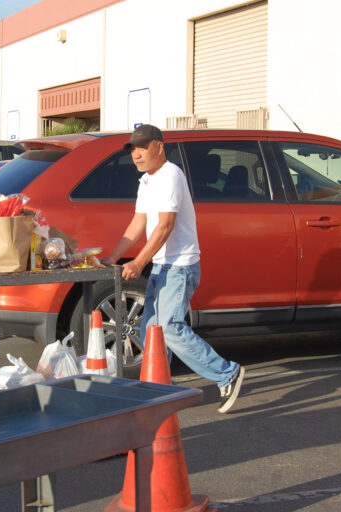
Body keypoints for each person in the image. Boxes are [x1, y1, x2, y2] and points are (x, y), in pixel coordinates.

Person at [101, 124, 244, 414]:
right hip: (163, 265)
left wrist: (139, 262)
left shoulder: (170, 176)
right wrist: (113, 258)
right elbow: (138, 223)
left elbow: (165, 226)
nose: (137, 155)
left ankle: (227, 373)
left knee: (170, 328)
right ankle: (160, 387)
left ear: (159, 146)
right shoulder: (147, 181)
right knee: (151, 329)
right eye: (133, 150)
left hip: (180, 266)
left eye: (142, 148)